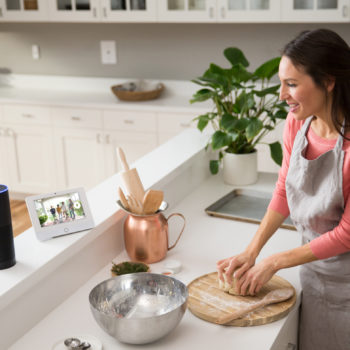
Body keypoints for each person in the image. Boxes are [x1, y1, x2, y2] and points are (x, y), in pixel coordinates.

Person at [217, 29, 350, 350]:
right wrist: (252, 252)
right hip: (311, 269)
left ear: (328, 81)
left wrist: (274, 262)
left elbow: (347, 234)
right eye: (282, 82)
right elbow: (283, 189)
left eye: (291, 84)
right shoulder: (297, 122)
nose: (281, 95)